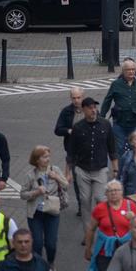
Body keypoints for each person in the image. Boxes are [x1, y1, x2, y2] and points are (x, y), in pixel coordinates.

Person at [85, 180, 136, 271]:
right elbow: (91, 229)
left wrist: (133, 219)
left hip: (126, 252)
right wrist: (88, 248)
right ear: (106, 194)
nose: (114, 193)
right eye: (110, 191)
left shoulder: (131, 206)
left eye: (117, 190)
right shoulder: (100, 209)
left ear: (122, 192)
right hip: (105, 253)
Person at [70, 97, 118, 231]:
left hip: (100, 169)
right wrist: (68, 172)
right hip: (83, 169)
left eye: (94, 107)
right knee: (85, 200)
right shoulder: (78, 128)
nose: (93, 110)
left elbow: (112, 148)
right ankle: (88, 231)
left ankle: (104, 227)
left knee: (100, 198)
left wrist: (115, 168)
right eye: (90, 108)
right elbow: (71, 152)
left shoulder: (105, 125)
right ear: (83, 110)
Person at [19, 145, 67, 268]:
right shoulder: (30, 175)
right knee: (37, 244)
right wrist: (36, 192)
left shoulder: (55, 169)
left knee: (51, 243)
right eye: (44, 157)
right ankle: (38, 266)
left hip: (52, 212)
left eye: (48, 156)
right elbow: (23, 195)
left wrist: (56, 177)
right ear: (37, 160)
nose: (48, 159)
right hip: (35, 214)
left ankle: (51, 262)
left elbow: (66, 185)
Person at [101, 58, 136, 153]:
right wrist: (102, 117)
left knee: (135, 148)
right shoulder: (116, 84)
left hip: (135, 122)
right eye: (128, 69)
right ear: (123, 71)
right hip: (119, 122)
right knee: (119, 148)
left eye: (133, 69)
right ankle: (121, 167)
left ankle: (131, 167)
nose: (131, 71)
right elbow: (107, 100)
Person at [54, 87, 85, 216]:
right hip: (73, 151)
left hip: (89, 151)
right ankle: (81, 206)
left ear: (83, 97)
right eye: (74, 98)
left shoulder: (90, 109)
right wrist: (68, 131)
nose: (76, 100)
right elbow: (57, 130)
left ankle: (87, 204)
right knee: (78, 181)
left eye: (78, 97)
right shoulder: (66, 112)